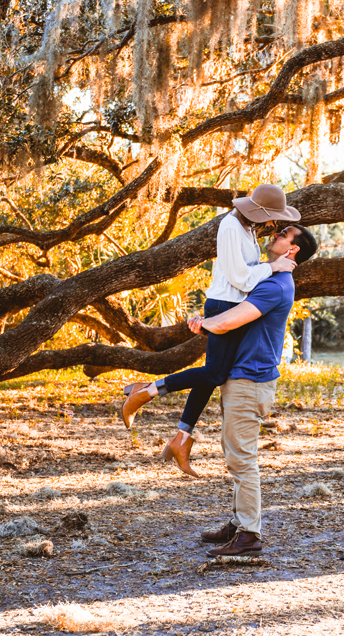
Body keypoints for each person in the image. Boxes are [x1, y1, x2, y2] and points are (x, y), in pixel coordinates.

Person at [118, 184, 300, 477]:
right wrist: (274, 266)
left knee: (212, 373)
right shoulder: (230, 226)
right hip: (224, 306)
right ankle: (147, 392)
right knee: (215, 374)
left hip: (231, 307)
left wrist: (270, 268)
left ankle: (182, 437)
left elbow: (243, 278)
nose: (274, 225)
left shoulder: (248, 230)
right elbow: (241, 279)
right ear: (261, 212)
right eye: (273, 218)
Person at [193, 222, 318, 557]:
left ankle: (249, 535)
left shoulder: (275, 286)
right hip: (244, 377)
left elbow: (227, 321)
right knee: (235, 453)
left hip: (249, 382)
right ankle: (239, 522)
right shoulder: (272, 278)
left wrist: (201, 323)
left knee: (242, 460)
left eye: (283, 235)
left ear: (292, 251)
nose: (274, 234)